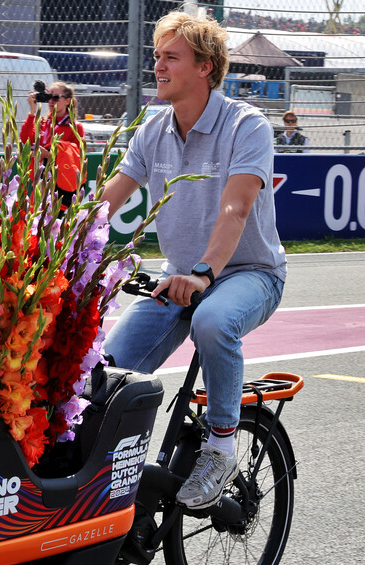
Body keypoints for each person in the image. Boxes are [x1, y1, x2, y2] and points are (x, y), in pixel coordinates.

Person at [98, 11, 287, 509]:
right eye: (156, 56)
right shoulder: (152, 130)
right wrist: (56, 243)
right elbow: (107, 200)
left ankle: (221, 445)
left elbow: (236, 207)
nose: (158, 66)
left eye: (171, 57)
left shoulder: (247, 126)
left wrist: (204, 272)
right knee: (106, 376)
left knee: (213, 319)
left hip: (250, 274)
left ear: (205, 67)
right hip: (177, 277)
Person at [20, 81, 85, 207]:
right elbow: (25, 139)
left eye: (56, 97)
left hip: (60, 185)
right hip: (40, 182)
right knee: (34, 223)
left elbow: (77, 159)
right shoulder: (43, 122)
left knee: (53, 224)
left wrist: (49, 155)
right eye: (49, 97)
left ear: (67, 101)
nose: (51, 101)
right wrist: (32, 111)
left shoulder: (75, 127)